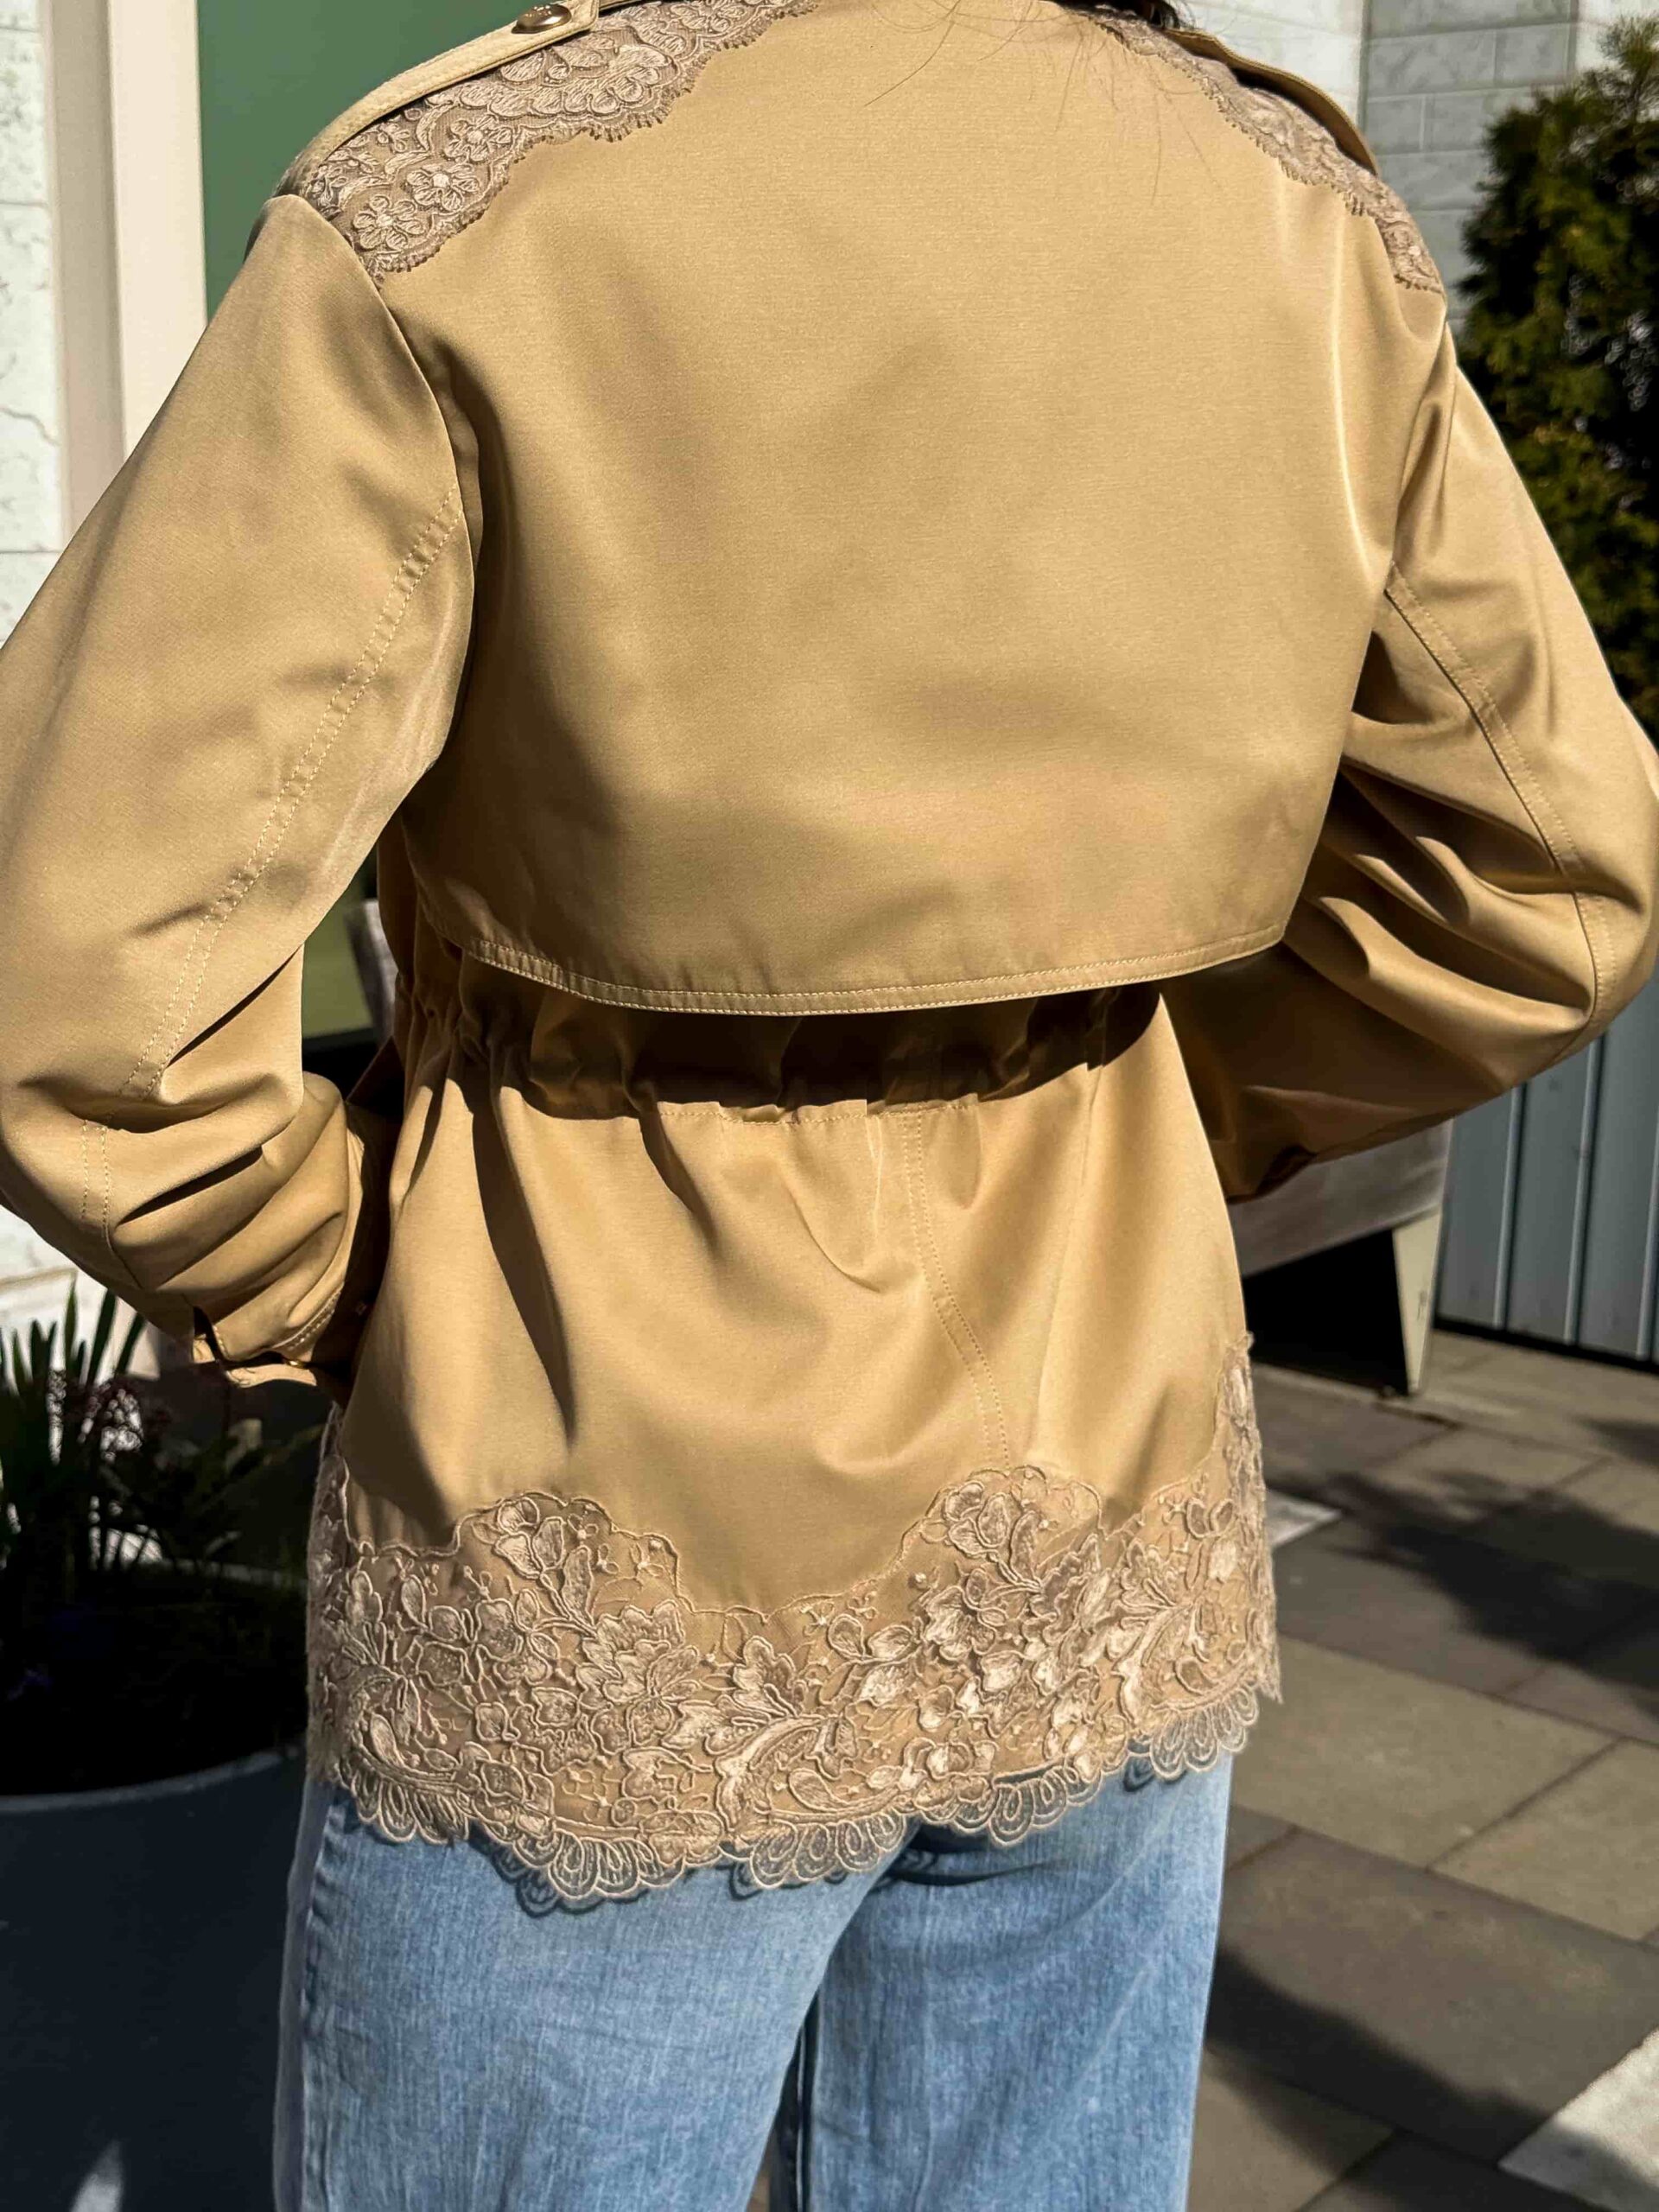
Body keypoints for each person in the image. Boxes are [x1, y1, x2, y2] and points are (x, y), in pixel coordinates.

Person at [1, 0, 1656, 2203]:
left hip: (602, 1524)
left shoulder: (459, 205)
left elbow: (70, 974)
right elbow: (1552, 880)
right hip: (1102, 1507)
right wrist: (1175, 1126)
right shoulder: (1292, 213)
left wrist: (350, 1270)